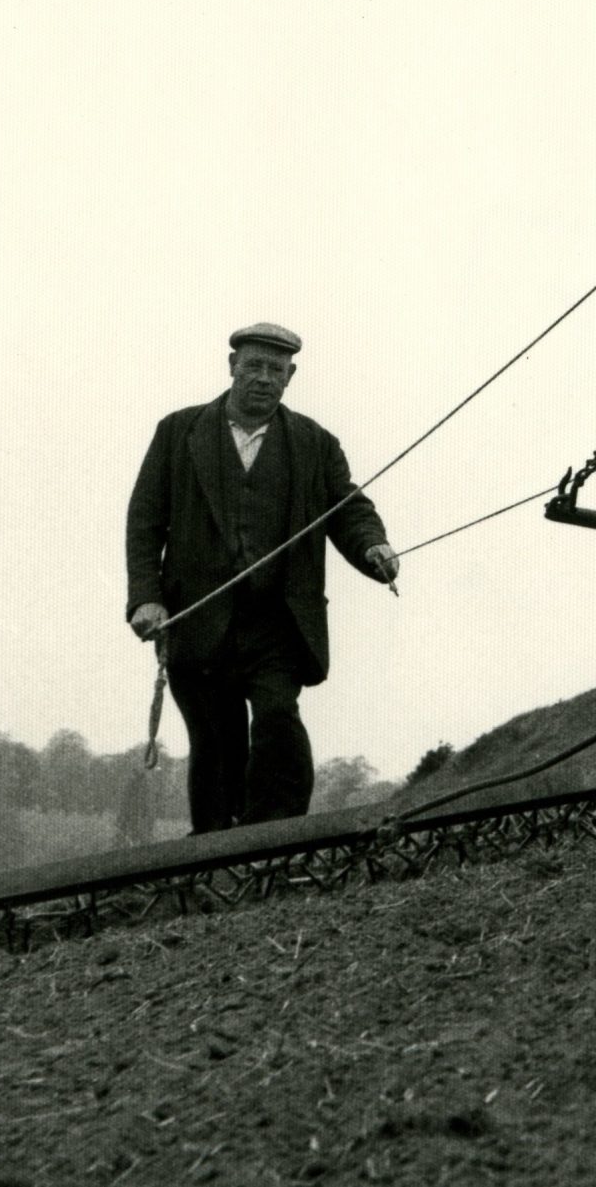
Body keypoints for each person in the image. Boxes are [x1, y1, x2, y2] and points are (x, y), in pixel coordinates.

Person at [124, 323, 399, 833]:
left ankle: (277, 838)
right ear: (232, 367)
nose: (263, 379)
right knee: (216, 739)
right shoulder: (177, 433)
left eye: (276, 370)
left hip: (277, 621)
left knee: (277, 719)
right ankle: (214, 850)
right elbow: (144, 522)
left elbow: (348, 510)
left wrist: (373, 546)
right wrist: (146, 599)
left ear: (290, 377)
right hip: (198, 620)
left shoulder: (316, 444)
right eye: (253, 366)